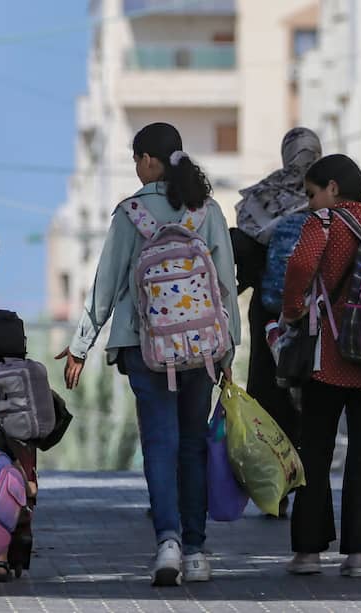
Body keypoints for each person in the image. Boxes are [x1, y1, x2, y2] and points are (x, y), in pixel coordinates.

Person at [55, 122, 240, 586]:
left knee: (159, 443)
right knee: (194, 443)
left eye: (137, 158)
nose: (136, 166)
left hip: (145, 345)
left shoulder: (131, 213)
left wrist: (82, 344)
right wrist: (229, 346)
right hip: (201, 349)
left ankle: (168, 543)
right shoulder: (207, 211)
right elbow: (225, 284)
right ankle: (197, 551)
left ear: (148, 161)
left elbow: (107, 282)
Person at [283, 154, 361, 578]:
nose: (311, 204)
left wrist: (292, 309)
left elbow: (300, 266)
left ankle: (309, 552)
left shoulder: (326, 224)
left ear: (333, 188)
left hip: (331, 355)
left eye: (312, 194)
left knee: (315, 450)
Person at [231, 127, 321, 517]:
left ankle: (276, 485)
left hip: (269, 314)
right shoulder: (330, 192)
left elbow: (246, 256)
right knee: (313, 395)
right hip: (317, 312)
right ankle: (310, 482)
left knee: (269, 396)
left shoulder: (260, 198)